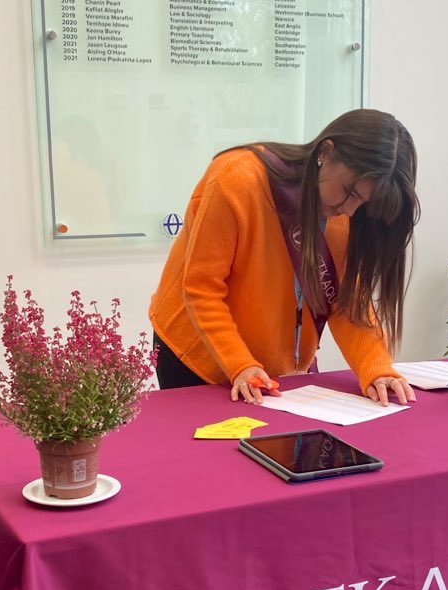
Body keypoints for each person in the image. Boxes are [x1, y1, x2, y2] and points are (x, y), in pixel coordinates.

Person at [149, 108, 419, 406]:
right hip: (197, 356)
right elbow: (202, 287)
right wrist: (241, 364)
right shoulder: (237, 180)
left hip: (269, 373)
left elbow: (346, 302)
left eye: (363, 203)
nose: (351, 210)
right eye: (350, 192)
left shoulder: (345, 216)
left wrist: (377, 369)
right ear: (326, 153)